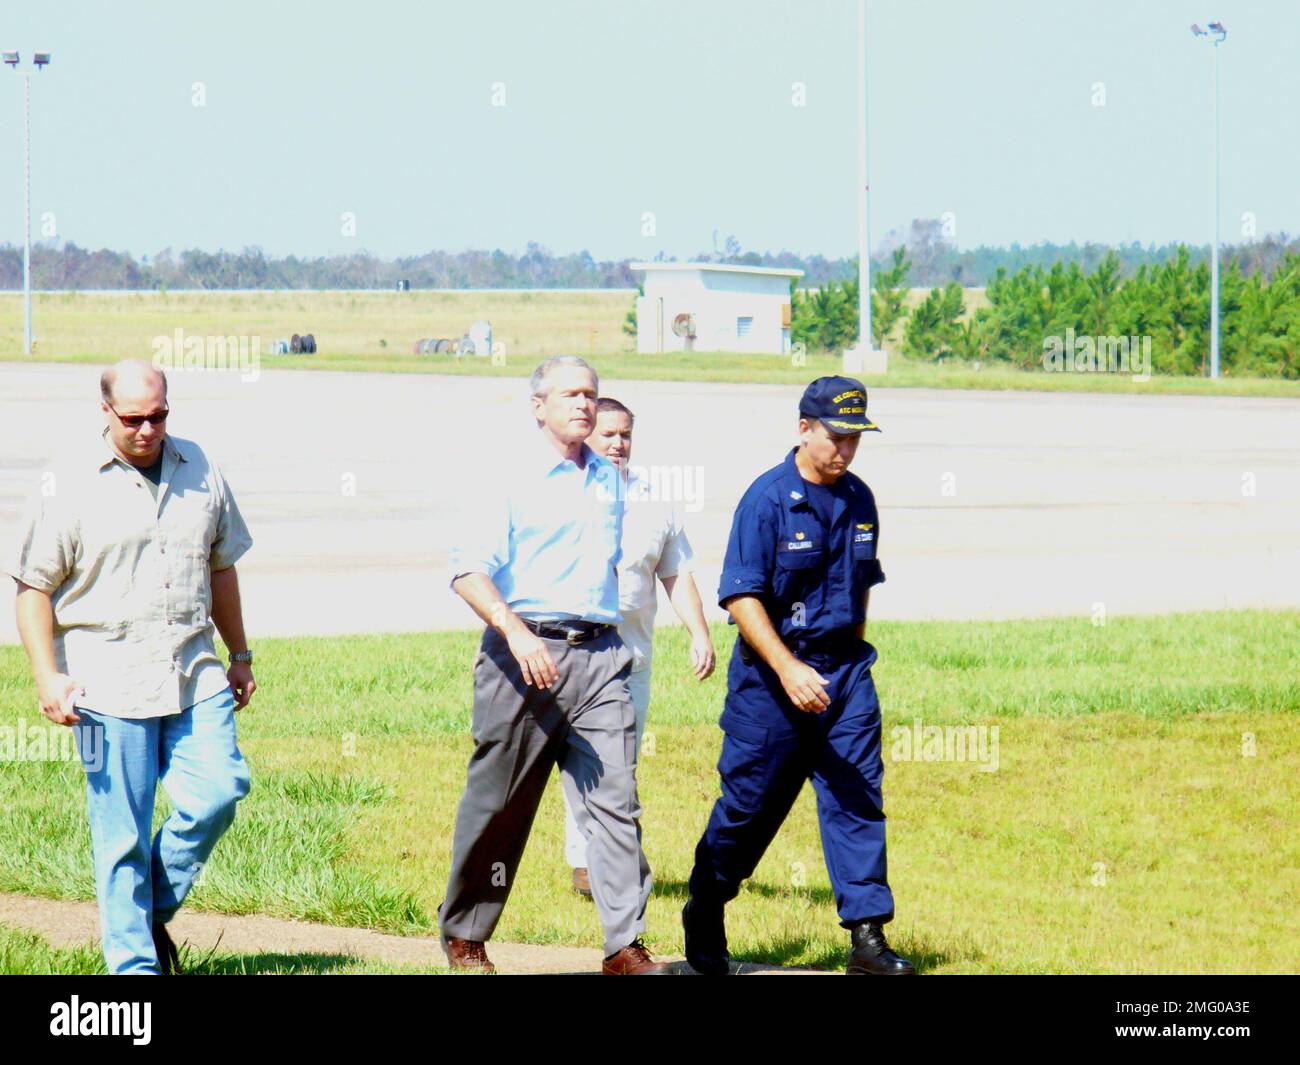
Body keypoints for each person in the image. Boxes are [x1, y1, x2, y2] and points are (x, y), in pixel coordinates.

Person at [5, 359, 256, 975]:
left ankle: (147, 908)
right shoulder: (66, 482)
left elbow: (221, 566)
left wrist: (240, 654)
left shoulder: (199, 467)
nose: (148, 429)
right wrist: (47, 677)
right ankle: (134, 976)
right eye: (134, 419)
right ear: (106, 413)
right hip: (103, 686)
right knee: (120, 837)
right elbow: (32, 587)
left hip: (194, 673)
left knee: (220, 792)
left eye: (159, 415)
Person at [439, 356, 670, 975]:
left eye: (591, 394)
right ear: (537, 405)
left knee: (616, 800)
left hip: (599, 657)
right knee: (500, 804)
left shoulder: (610, 481)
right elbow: (467, 571)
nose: (584, 404)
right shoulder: (506, 477)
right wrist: (516, 632)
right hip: (522, 657)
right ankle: (466, 934)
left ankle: (624, 946)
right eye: (570, 394)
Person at [681, 376, 915, 976]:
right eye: (836, 437)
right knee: (749, 808)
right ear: (803, 428)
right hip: (772, 682)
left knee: (857, 798)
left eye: (855, 439)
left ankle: (867, 939)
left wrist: (850, 662)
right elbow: (739, 596)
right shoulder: (766, 500)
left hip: (844, 677)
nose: (845, 450)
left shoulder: (860, 498)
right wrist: (788, 668)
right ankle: (706, 907)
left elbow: (862, 587)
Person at [562, 397, 715, 897]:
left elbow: (675, 572)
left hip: (632, 657)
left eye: (625, 434)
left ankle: (601, 860)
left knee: (619, 761)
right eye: (607, 434)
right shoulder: (562, 493)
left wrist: (698, 632)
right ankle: (588, 858)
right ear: (586, 435)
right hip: (570, 651)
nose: (618, 443)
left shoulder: (655, 501)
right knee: (577, 758)